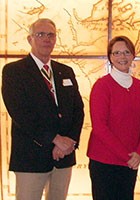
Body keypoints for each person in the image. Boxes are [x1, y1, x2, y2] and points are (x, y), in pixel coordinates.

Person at [1, 18, 84, 200]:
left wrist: (69, 141)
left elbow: (78, 110)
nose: (46, 39)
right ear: (30, 39)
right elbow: (20, 113)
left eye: (51, 35)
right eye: (40, 34)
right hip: (31, 157)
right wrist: (55, 139)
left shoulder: (66, 71)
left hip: (64, 157)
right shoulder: (14, 71)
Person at [87, 35, 140, 200]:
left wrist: (139, 153)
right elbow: (100, 127)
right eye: (116, 53)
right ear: (110, 57)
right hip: (105, 162)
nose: (121, 57)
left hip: (131, 162)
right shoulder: (102, 86)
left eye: (126, 52)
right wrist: (128, 157)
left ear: (133, 55)